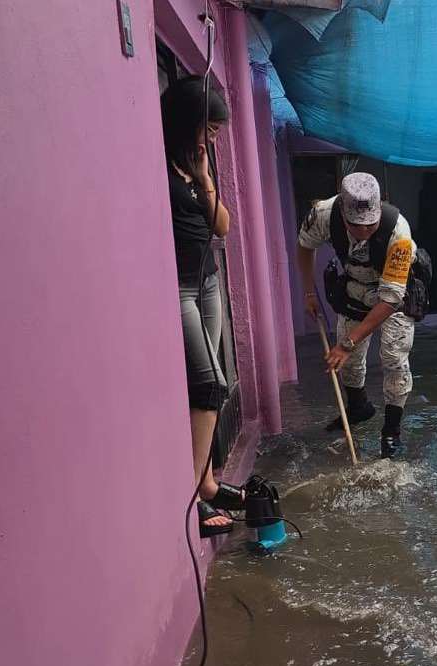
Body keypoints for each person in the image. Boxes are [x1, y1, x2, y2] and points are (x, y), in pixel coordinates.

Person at [162, 76, 243, 537]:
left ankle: (208, 482)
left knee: (212, 383)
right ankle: (195, 500)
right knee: (210, 385)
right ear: (185, 121)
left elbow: (224, 226)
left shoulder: (196, 162)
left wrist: (207, 179)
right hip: (179, 288)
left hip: (207, 281)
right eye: (208, 129)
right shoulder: (156, 161)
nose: (212, 138)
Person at [296, 173, 417, 459]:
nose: (364, 232)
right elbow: (304, 246)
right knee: (347, 365)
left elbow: (389, 300)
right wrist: (308, 293)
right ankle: (359, 408)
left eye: (370, 225)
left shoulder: (399, 233)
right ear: (342, 213)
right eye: (356, 226)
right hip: (354, 287)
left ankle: (391, 431)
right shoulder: (323, 214)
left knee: (394, 357)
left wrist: (348, 342)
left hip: (393, 294)